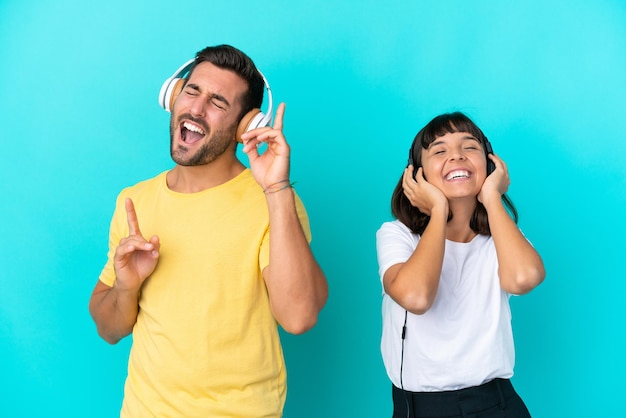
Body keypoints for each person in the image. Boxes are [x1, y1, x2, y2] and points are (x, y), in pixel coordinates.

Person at [89, 44, 328, 417]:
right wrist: (126, 286)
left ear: (246, 127)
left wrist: (276, 189)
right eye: (192, 91)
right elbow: (109, 330)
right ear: (173, 96)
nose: (196, 109)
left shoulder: (274, 201)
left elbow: (299, 317)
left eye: (218, 102)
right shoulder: (134, 201)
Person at [376, 112, 545, 418]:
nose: (456, 156)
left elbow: (524, 278)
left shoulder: (501, 238)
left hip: (496, 403)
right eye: (439, 151)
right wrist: (439, 210)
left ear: (489, 164)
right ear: (417, 175)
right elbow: (416, 297)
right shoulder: (397, 235)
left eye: (469, 147)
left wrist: (492, 197)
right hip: (421, 407)